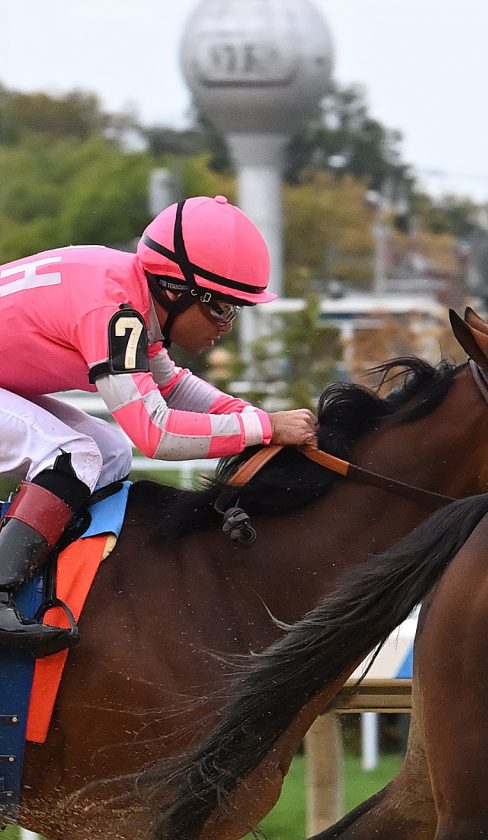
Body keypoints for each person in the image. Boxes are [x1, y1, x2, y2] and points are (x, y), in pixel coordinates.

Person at [0, 195, 317, 654]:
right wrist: (264, 428)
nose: (225, 326)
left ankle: (60, 581)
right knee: (75, 454)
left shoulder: (132, 294)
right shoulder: (115, 311)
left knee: (108, 450)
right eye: (222, 308)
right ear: (177, 290)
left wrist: (253, 419)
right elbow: (158, 435)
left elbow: (172, 389)